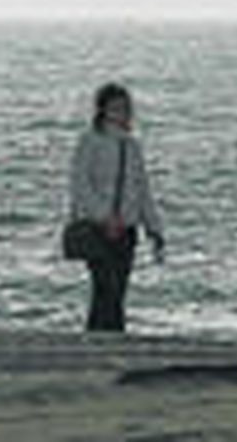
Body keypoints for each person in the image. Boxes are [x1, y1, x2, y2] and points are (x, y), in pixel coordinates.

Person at [68, 83, 165, 332]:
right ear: (103, 110)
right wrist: (104, 217)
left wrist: (154, 228)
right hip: (98, 228)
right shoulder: (89, 141)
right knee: (105, 288)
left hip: (127, 229)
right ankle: (101, 341)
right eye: (116, 108)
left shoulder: (132, 146)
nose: (122, 113)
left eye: (126, 108)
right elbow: (80, 186)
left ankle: (108, 340)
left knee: (118, 290)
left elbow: (142, 190)